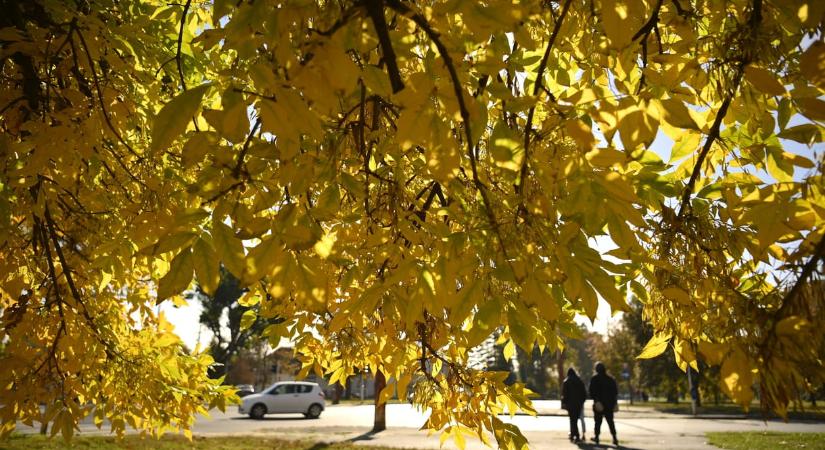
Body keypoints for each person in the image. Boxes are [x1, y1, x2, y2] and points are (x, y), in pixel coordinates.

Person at [589, 361, 619, 446]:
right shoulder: (610, 379)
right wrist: (614, 402)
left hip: (599, 404)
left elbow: (591, 392)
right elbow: (615, 392)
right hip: (609, 404)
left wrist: (596, 400)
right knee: (610, 422)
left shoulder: (594, 379)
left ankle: (597, 437)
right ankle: (614, 438)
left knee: (598, 421)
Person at [561, 367, 587, 442]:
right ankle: (573, 434)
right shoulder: (580, 381)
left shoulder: (566, 381)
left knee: (573, 420)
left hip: (570, 404)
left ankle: (576, 435)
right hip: (578, 404)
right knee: (575, 420)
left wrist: (564, 403)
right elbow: (584, 393)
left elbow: (564, 394)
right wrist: (581, 402)